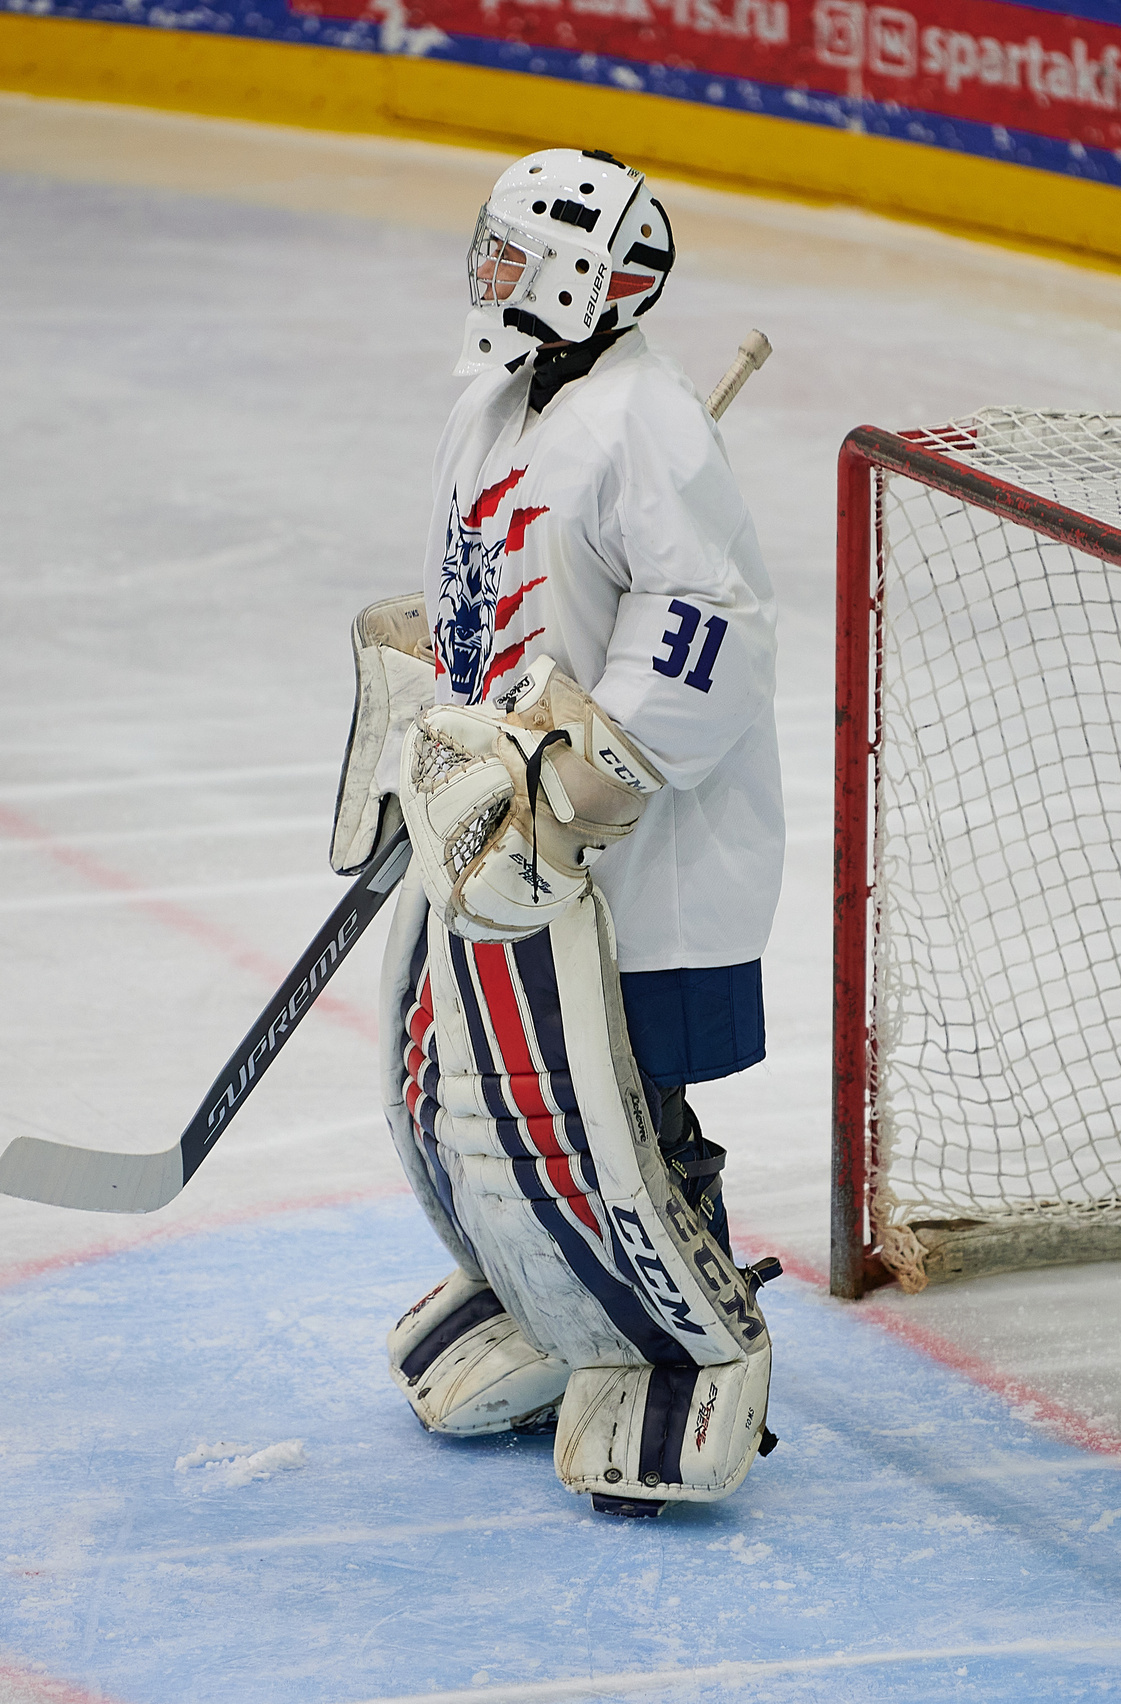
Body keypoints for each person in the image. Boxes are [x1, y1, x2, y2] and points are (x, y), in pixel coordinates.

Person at [325, 147, 784, 1516]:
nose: (488, 276)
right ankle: (551, 1307)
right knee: (489, 1108)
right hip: (502, 847)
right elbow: (480, 587)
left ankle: (690, 1349)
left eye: (513, 256)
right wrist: (441, 698)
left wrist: (596, 763)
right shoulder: (493, 404)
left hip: (640, 859)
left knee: (625, 1110)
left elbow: (714, 620)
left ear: (589, 275)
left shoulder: (652, 423)